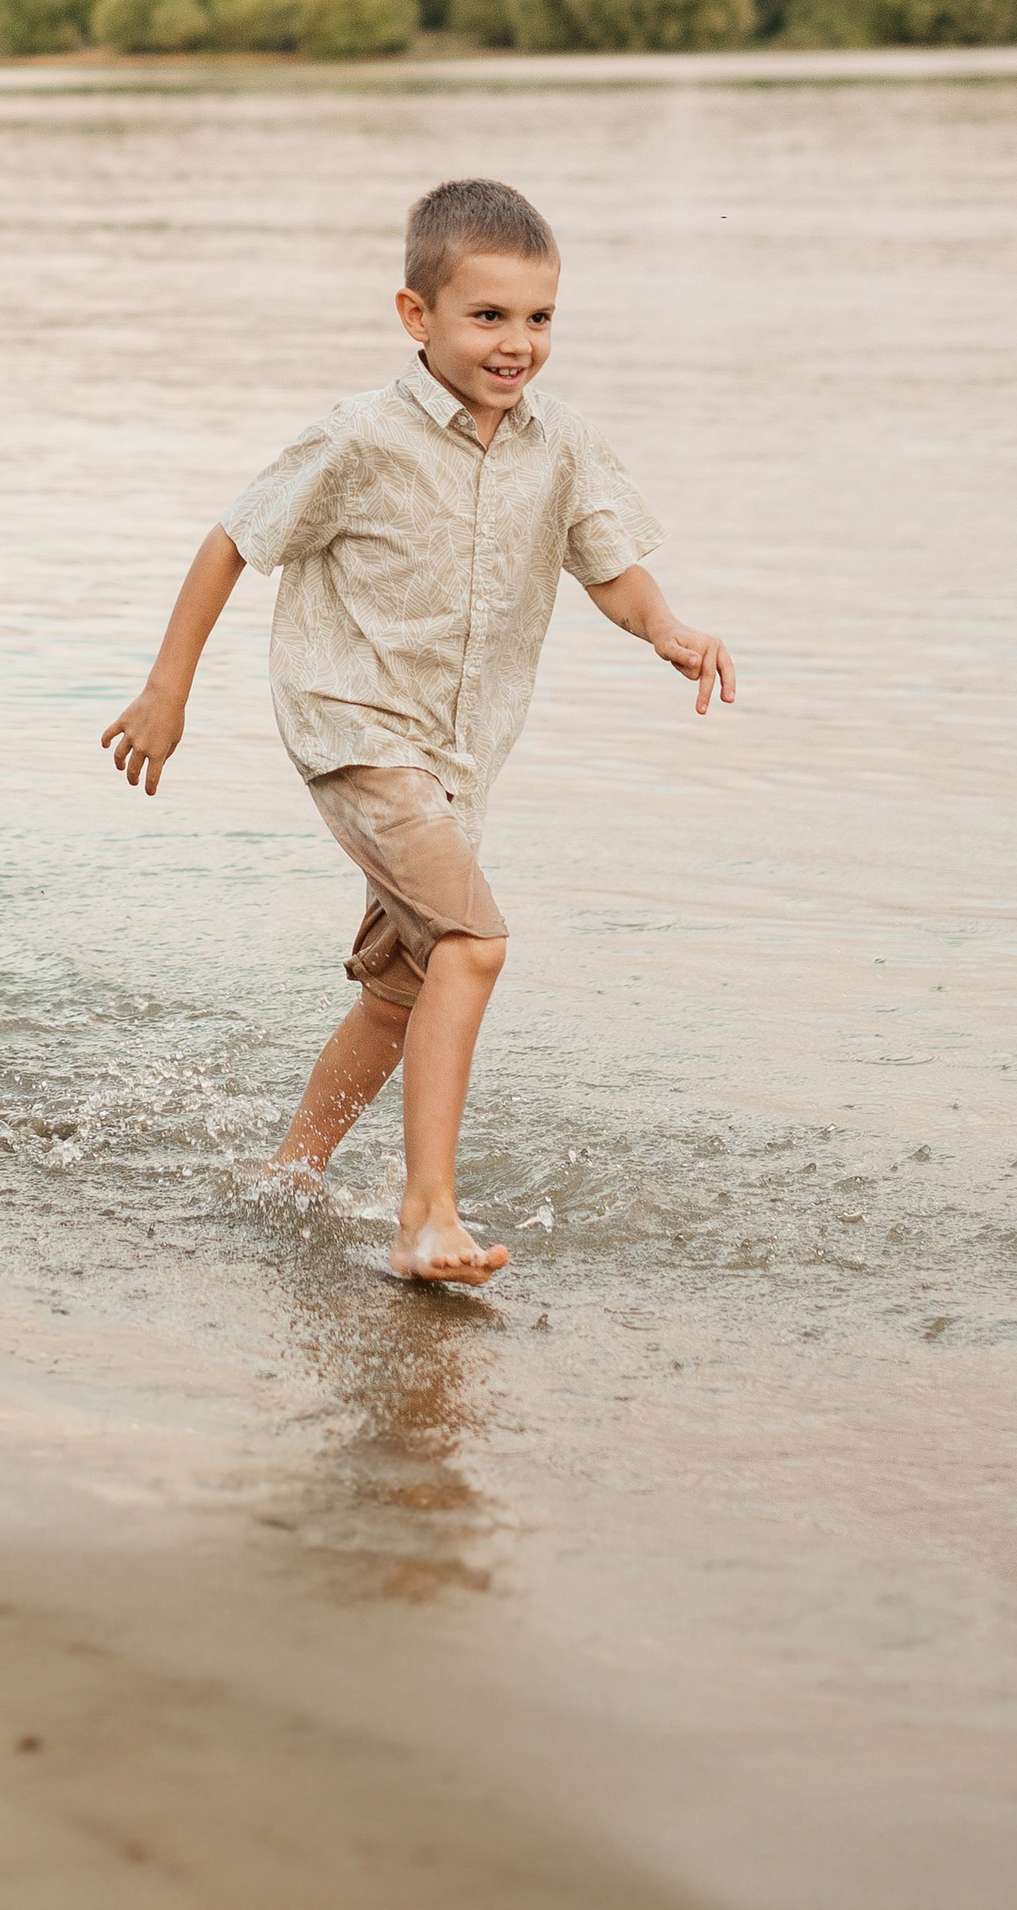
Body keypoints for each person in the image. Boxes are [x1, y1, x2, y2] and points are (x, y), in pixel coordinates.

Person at [100, 174, 733, 1286]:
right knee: (474, 944)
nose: (516, 342)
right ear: (416, 315)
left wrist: (667, 629)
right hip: (354, 729)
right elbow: (232, 538)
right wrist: (168, 690)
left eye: (538, 317)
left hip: (453, 761)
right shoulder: (359, 436)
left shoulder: (560, 443)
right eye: (487, 315)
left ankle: (288, 1172)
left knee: (402, 993)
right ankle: (424, 1215)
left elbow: (612, 571)